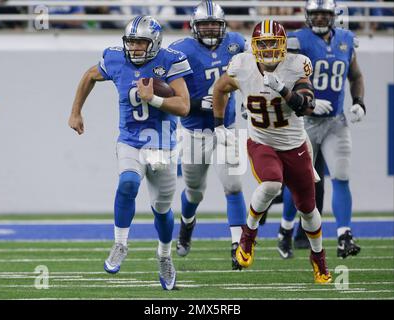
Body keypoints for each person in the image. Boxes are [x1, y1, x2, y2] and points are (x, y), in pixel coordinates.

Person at [68, 15, 192, 290]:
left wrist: (154, 99)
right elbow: (90, 75)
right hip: (131, 140)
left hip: (163, 145)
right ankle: (120, 244)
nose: (135, 48)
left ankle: (164, 256)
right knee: (128, 182)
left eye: (141, 43)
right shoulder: (114, 58)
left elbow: (184, 107)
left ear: (156, 43)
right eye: (132, 42)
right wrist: (76, 111)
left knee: (161, 209)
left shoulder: (171, 60)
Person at [213, 19, 332, 284]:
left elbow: (306, 107)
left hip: (294, 144)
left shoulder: (295, 65)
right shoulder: (241, 66)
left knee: (308, 209)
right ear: (254, 47)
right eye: (262, 43)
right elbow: (219, 89)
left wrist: (282, 90)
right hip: (261, 141)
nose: (268, 49)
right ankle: (248, 236)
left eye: (273, 43)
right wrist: (218, 124)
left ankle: (319, 258)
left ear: (284, 45)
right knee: (270, 183)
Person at [279, 0, 364, 259]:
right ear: (307, 16)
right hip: (303, 122)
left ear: (333, 16)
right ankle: (285, 230)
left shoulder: (346, 40)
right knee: (298, 180)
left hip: (335, 122)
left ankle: (344, 236)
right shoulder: (297, 40)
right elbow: (282, 80)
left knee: (341, 174)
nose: (318, 19)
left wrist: (359, 102)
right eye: (314, 15)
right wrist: (307, 104)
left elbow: (356, 75)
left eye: (324, 14)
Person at [168, 0, 247, 270]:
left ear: (223, 25)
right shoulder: (180, 50)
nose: (211, 29)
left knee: (233, 185)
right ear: (194, 26)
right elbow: (168, 89)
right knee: (194, 192)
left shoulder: (236, 43)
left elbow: (254, 73)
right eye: (205, 24)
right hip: (194, 132)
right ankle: (187, 225)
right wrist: (193, 102)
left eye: (215, 24)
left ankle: (239, 246)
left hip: (226, 128)